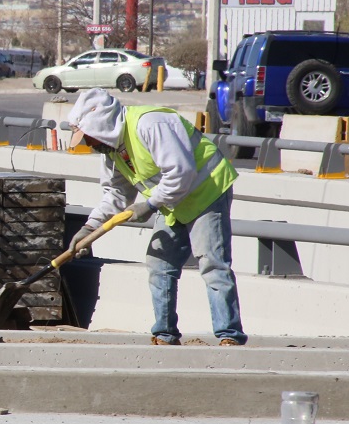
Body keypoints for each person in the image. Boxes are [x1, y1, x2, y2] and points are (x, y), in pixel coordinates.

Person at [67, 88, 246, 346]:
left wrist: (149, 205)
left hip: (207, 191)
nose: (89, 145)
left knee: (212, 262)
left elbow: (180, 172)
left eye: (89, 138)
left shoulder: (150, 124)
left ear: (102, 126)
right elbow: (116, 194)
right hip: (173, 202)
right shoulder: (112, 151)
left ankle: (229, 335)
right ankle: (164, 334)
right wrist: (89, 227)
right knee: (159, 263)